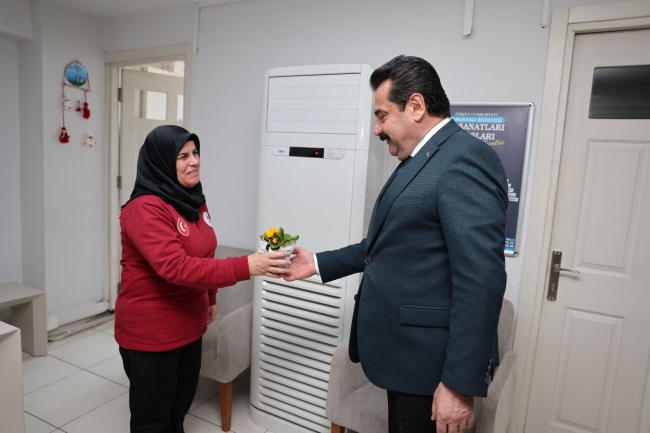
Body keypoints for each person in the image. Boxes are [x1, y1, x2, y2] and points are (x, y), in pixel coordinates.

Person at [284, 55, 508, 433]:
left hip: (430, 368)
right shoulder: (421, 159)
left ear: (416, 106)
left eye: (382, 116)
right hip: (404, 359)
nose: (376, 129)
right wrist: (317, 263)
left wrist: (458, 385)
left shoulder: (465, 158)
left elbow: (480, 280)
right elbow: (385, 245)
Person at [115, 125, 289, 433]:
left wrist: (210, 297)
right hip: (152, 334)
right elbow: (176, 268)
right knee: (152, 421)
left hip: (189, 326)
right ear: (161, 162)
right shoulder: (144, 208)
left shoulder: (193, 199)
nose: (194, 161)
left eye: (195, 153)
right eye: (182, 156)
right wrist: (247, 266)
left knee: (178, 409)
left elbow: (204, 253)